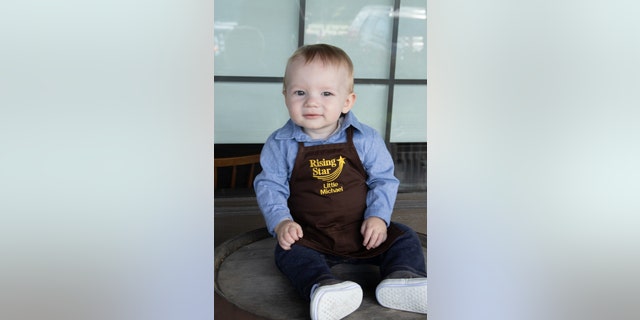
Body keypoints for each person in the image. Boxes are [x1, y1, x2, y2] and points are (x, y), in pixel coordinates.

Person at [253, 43, 427, 320]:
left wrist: (378, 218)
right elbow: (270, 186)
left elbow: (383, 180)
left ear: (347, 101)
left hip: (361, 232)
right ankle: (324, 286)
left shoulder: (364, 138)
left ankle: (402, 278)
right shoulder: (280, 143)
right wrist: (282, 222)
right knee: (288, 252)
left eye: (326, 93)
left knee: (404, 236)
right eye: (300, 92)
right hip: (311, 235)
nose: (311, 102)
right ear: (285, 96)